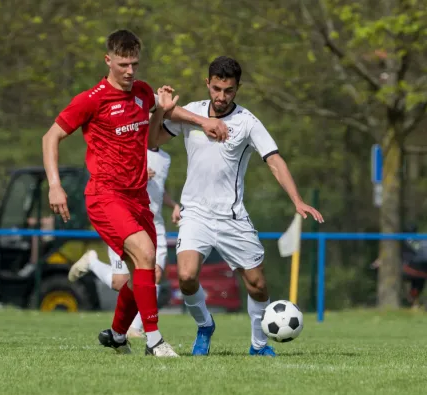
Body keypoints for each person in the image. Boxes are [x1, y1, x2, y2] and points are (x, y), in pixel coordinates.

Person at [42, 29, 228, 357]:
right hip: (105, 196)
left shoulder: (141, 92)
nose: (130, 71)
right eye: (123, 64)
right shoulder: (91, 99)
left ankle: (117, 335)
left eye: (135, 64)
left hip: (138, 197)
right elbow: (50, 137)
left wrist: (202, 121)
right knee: (144, 253)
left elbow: (166, 111)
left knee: (142, 271)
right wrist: (55, 185)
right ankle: (153, 339)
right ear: (108, 60)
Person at [149, 56, 324, 357]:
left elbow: (274, 160)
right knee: (187, 276)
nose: (221, 96)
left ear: (237, 88)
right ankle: (205, 325)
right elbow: (152, 140)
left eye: (228, 90)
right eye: (216, 89)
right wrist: (166, 113)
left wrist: (297, 200)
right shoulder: (192, 112)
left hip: (232, 217)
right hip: (195, 214)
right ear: (207, 83)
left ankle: (258, 345)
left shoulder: (247, 122)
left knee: (257, 285)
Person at [67, 144, 181, 339]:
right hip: (127, 220)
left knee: (152, 275)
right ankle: (92, 262)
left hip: (155, 224)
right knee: (120, 282)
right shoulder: (131, 146)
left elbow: (158, 190)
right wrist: (138, 175)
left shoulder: (165, 158)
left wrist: (174, 205)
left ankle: (135, 328)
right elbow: (111, 178)